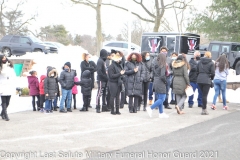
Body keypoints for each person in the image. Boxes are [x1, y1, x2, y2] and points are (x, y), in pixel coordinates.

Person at [146, 53, 169, 118]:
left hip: (155, 81)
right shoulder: (163, 65)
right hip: (160, 82)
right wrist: (165, 81)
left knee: (159, 97)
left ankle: (161, 113)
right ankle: (151, 108)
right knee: (162, 98)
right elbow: (162, 75)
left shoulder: (155, 64)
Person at [0, 55, 14, 121]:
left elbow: (12, 75)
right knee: (4, 101)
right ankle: (6, 115)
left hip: (9, 85)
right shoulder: (1, 67)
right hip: (2, 85)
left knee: (8, 102)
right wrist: (4, 67)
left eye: (5, 58)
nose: (4, 59)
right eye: (3, 58)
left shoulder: (9, 65)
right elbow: (4, 74)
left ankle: (2, 113)